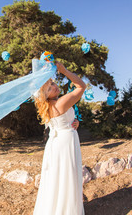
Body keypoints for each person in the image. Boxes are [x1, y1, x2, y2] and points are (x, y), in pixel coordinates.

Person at [32, 61, 86, 215]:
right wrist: (64, 70)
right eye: (49, 88)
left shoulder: (48, 107)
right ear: (45, 95)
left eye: (53, 83)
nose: (55, 86)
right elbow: (81, 86)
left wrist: (74, 123)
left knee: (56, 179)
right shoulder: (60, 103)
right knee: (67, 178)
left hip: (56, 143)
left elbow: (60, 123)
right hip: (66, 142)